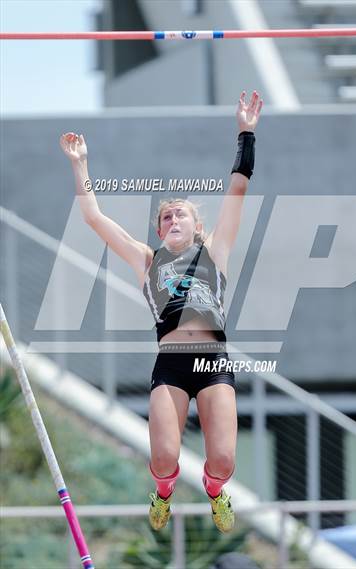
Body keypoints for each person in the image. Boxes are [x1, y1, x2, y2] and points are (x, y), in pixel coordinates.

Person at [60, 90, 263, 533]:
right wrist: (80, 165)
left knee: (223, 461)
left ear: (197, 227)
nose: (173, 221)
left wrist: (245, 132)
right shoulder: (147, 260)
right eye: (166, 218)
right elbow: (94, 218)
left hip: (212, 362)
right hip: (170, 363)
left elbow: (239, 187)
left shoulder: (216, 252)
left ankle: (215, 493)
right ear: (158, 229)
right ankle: (163, 494)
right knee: (164, 458)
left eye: (181, 216)